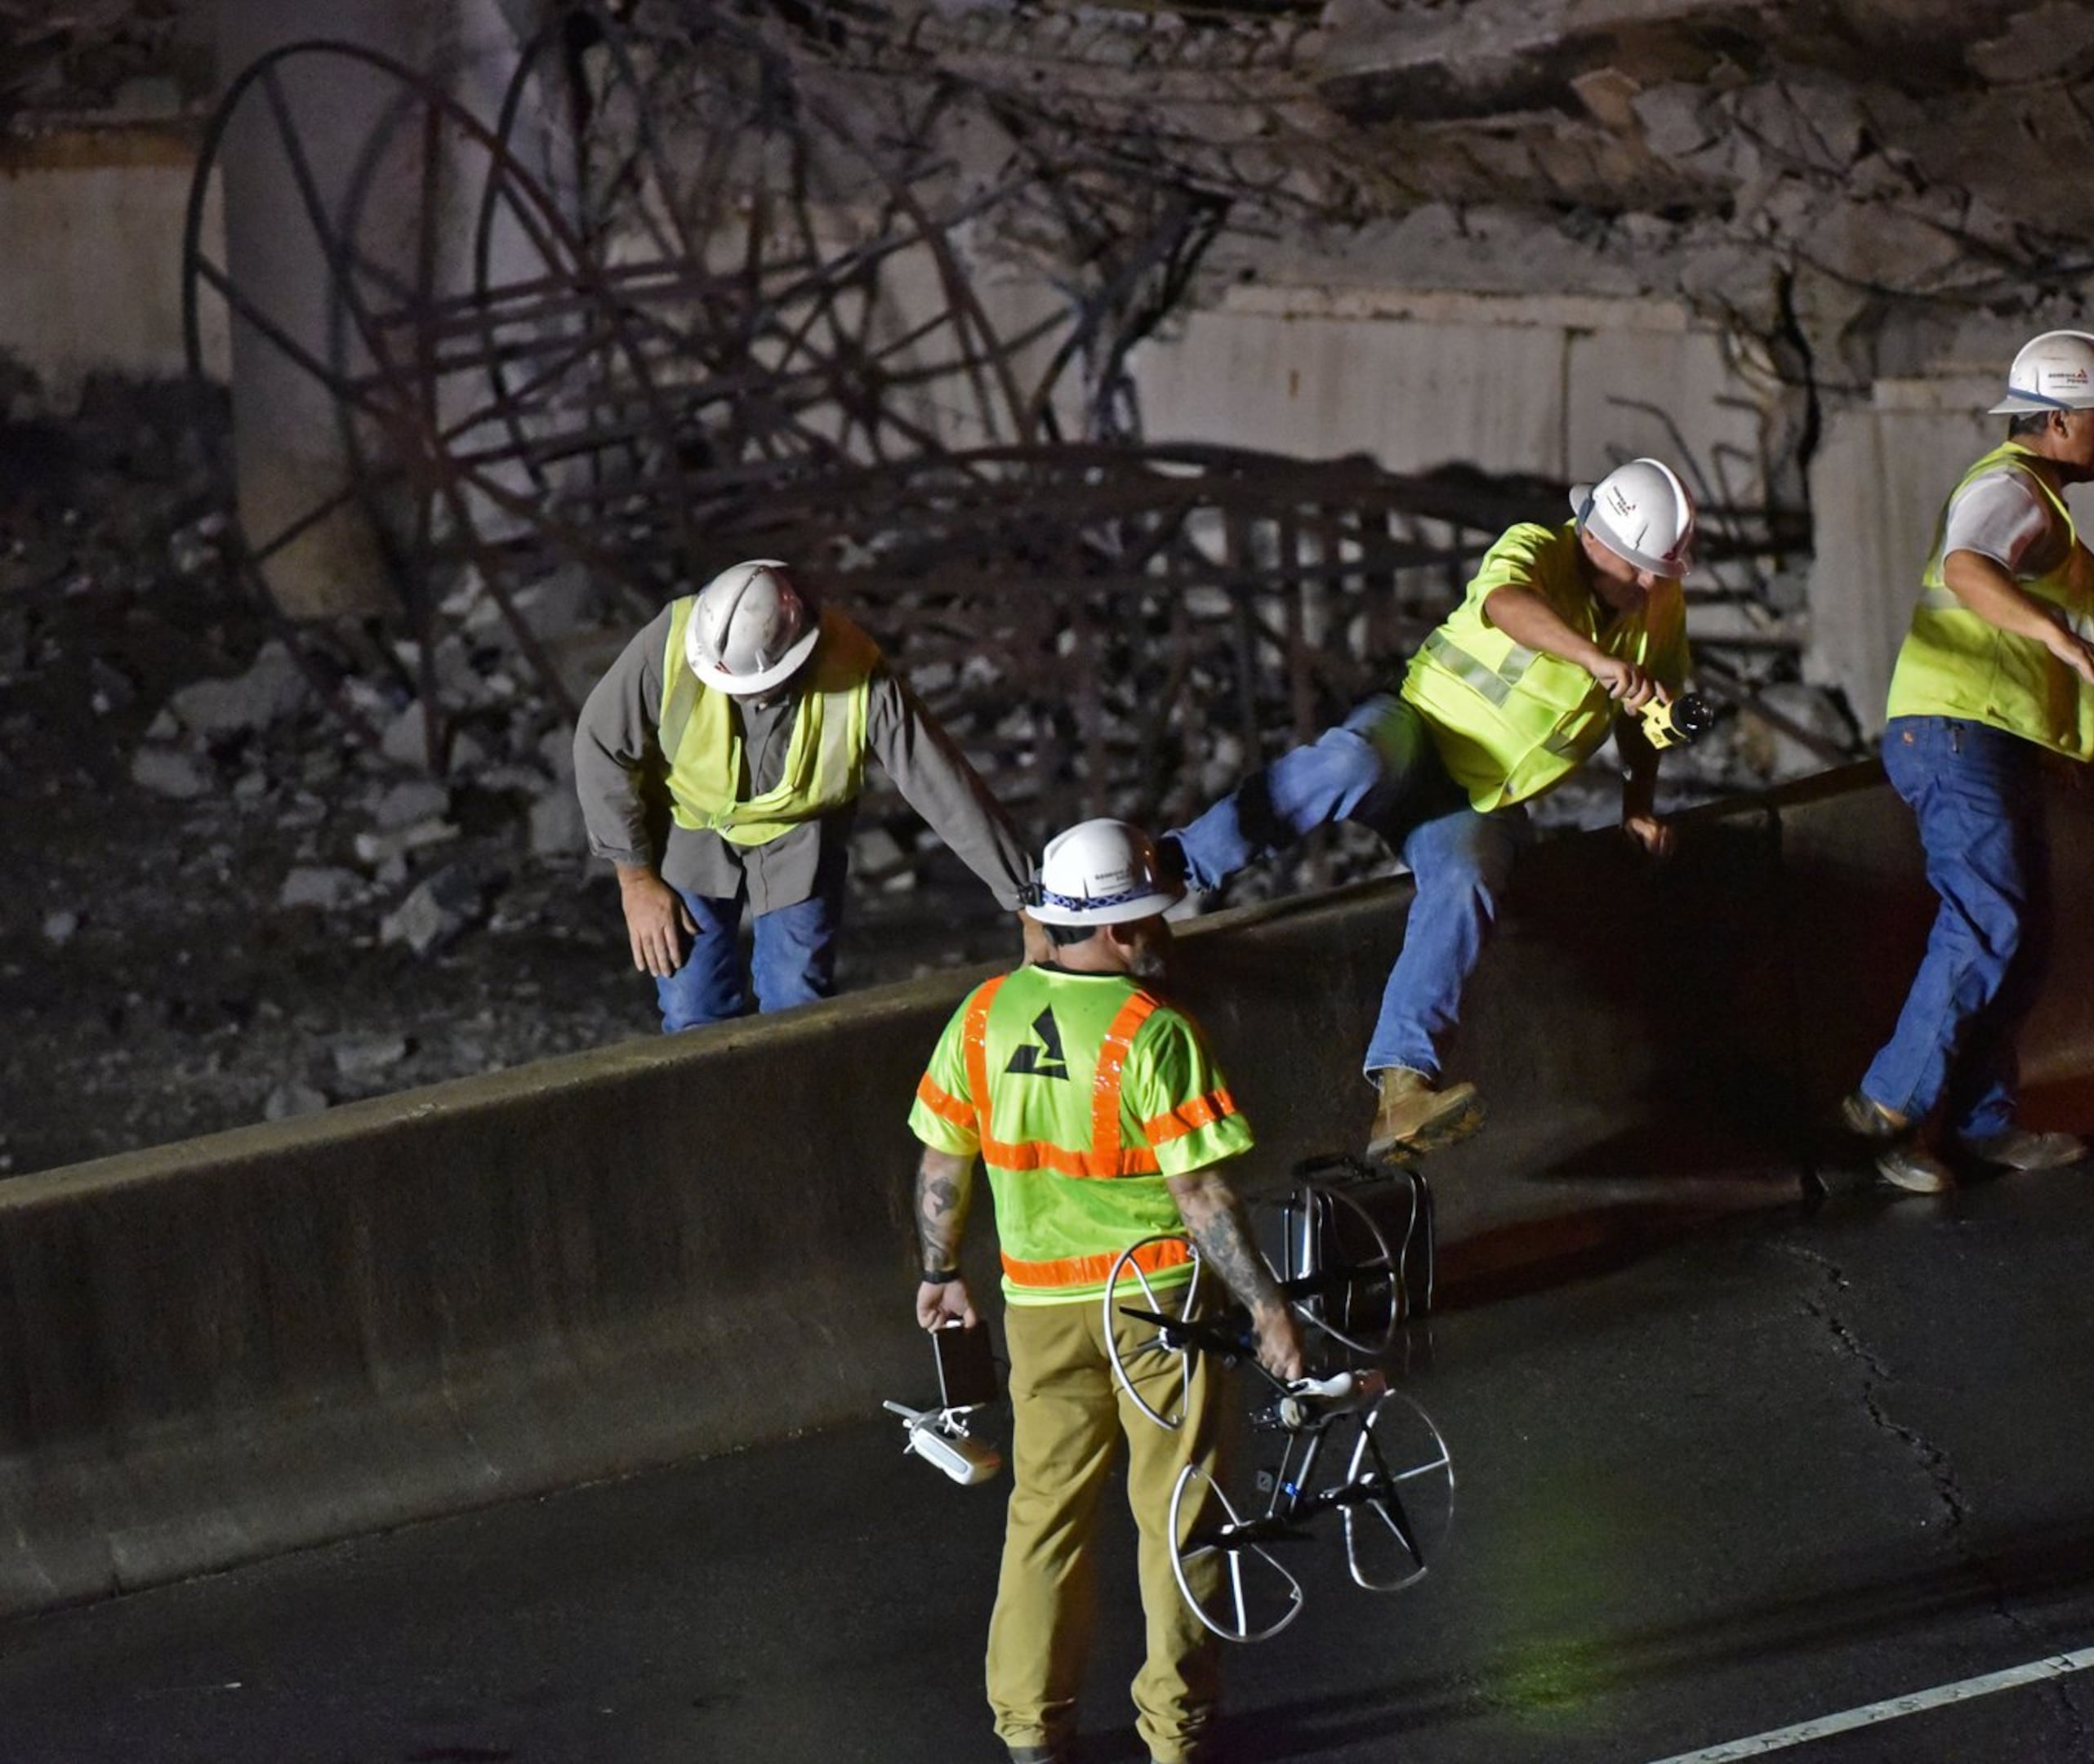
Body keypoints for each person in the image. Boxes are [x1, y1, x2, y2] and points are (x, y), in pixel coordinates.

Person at [1158, 457, 1699, 1162]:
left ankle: (1403, 1091)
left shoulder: (1657, 604)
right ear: (1595, 541)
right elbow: (1508, 606)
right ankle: (1174, 867)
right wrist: (1595, 660)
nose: (1653, 583)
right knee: (1350, 759)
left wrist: (1638, 806)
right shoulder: (1536, 545)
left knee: (1469, 880)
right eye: (1638, 567)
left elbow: (1646, 714)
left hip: (1482, 798)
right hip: (1418, 733)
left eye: (1662, 569)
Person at [905, 817, 1306, 1764]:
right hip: (1157, 1303)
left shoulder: (981, 1016)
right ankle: (1178, 1733)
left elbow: (941, 1160)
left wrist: (938, 1271)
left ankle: (1031, 1731)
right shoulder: (1153, 1034)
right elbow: (1200, 1193)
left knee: (1045, 1516)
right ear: (1123, 930)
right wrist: (1266, 1306)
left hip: (1039, 1307)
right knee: (1178, 1512)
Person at [1840, 332, 2094, 1194]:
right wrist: (2056, 639)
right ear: (2060, 416)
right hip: (1953, 730)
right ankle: (1889, 1106)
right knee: (1988, 915)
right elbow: (1968, 569)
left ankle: (1978, 1122)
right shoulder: (2008, 488)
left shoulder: (2034, 493)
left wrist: (2046, 741)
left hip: (1985, 735)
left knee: (2020, 933)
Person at [573, 559, 1031, 1031]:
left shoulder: (854, 669)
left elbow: (938, 780)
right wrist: (636, 882)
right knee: (693, 1012)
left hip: (800, 836)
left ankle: (787, 1101)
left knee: (798, 1009)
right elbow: (599, 745)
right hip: (691, 825)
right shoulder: (671, 645)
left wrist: (1022, 896)